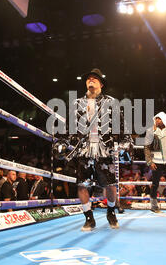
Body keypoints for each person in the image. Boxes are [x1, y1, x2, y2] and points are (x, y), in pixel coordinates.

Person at [56, 68, 133, 231]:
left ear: (101, 84)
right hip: (84, 149)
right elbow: (67, 129)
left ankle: (111, 212)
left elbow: (123, 128)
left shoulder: (112, 102)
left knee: (111, 185)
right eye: (88, 78)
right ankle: (89, 218)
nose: (91, 80)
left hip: (105, 149)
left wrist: (126, 143)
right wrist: (61, 141)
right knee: (83, 185)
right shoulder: (76, 104)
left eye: (95, 79)